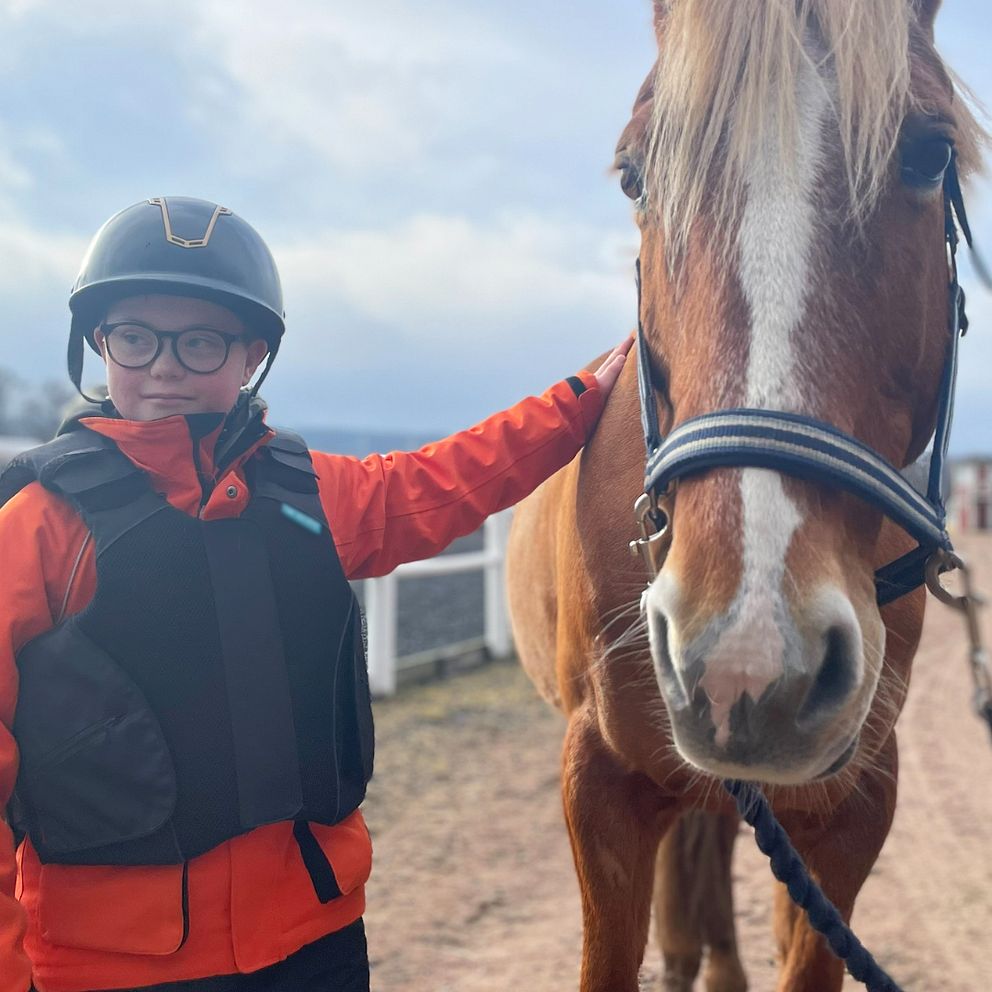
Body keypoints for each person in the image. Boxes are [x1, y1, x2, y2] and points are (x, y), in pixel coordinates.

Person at [0, 196, 630, 992]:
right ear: (98, 344)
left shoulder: (305, 494)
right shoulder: (36, 529)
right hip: (109, 966)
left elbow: (438, 481)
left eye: (199, 342)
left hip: (315, 939)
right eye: (134, 337)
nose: (162, 366)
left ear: (249, 354)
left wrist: (578, 403)